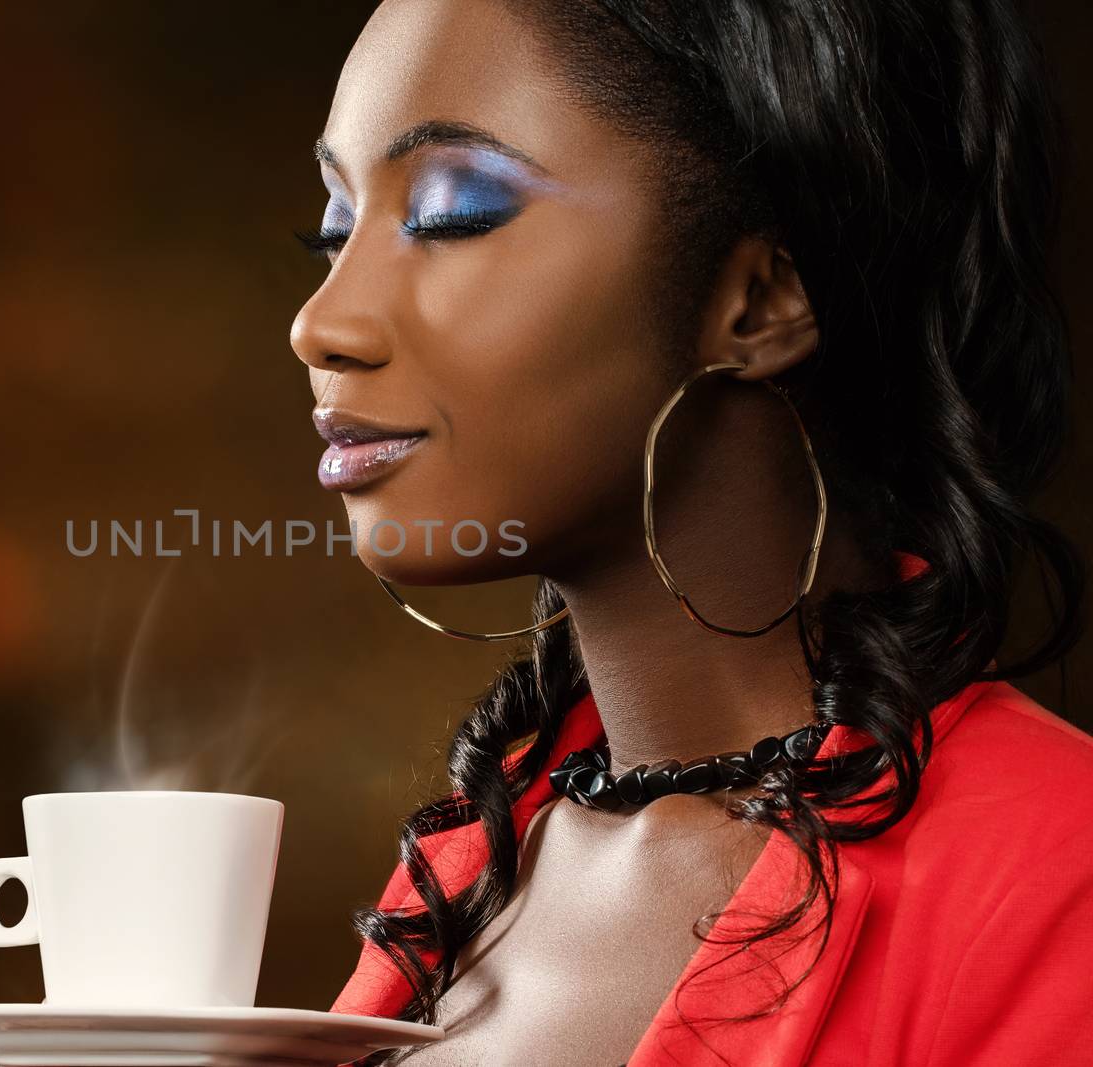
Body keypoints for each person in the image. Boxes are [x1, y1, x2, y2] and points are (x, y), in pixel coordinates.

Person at [287, 1, 1092, 1064]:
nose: (320, 322)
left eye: (453, 213)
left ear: (759, 298)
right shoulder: (479, 851)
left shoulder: (1052, 880)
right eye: (334, 231)